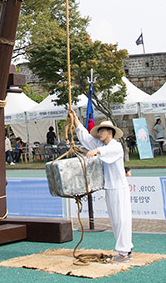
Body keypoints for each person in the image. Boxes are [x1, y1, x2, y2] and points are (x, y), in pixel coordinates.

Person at [68, 109, 133, 263]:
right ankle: (123, 250)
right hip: (110, 188)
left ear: (109, 132)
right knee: (115, 220)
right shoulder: (101, 144)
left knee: (122, 219)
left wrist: (95, 151)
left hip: (119, 188)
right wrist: (75, 119)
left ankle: (124, 251)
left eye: (101, 131)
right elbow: (86, 139)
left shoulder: (115, 146)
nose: (99, 134)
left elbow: (103, 150)